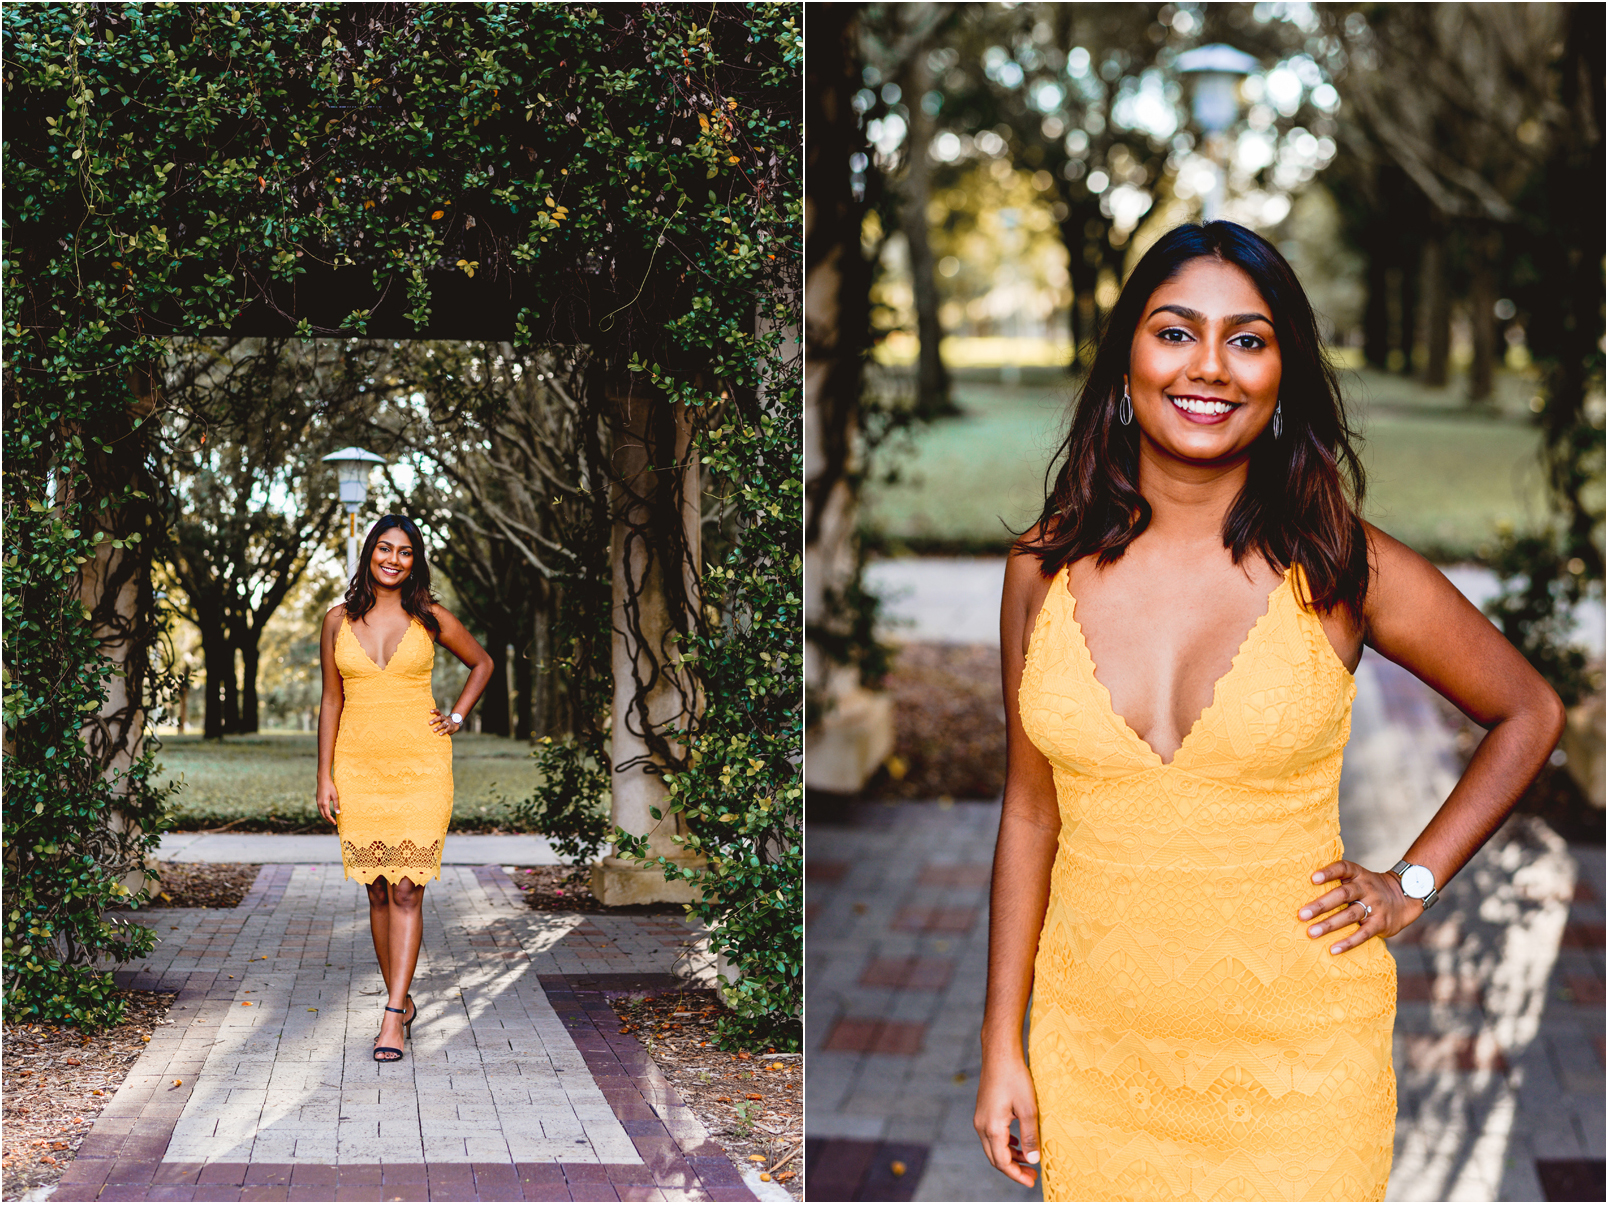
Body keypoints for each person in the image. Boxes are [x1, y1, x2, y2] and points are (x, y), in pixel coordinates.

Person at [972, 221, 1564, 1201]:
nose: (1210, 367)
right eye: (1175, 332)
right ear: (1128, 353)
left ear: (1283, 371)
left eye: (1248, 339)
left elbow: (1528, 708)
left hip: (1301, 1072)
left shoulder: (1338, 564)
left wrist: (1413, 880)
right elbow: (1030, 810)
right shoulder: (1041, 567)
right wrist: (1003, 1041)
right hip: (1095, 1059)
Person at [316, 514, 493, 1063]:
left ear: (416, 560)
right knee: (375, 887)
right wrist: (323, 774)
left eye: (406, 552)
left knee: (406, 888)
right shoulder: (337, 620)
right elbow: (331, 700)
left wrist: (458, 717)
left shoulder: (431, 617)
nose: (393, 559)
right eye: (385, 549)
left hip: (422, 767)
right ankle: (403, 996)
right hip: (359, 768)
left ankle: (392, 1014)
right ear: (370, 553)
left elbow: (482, 662)